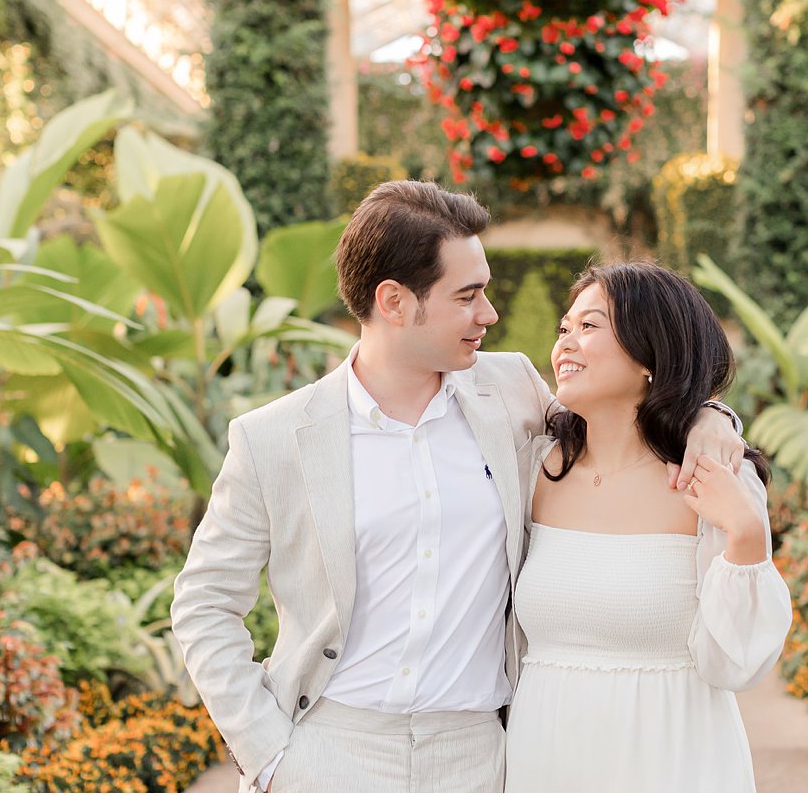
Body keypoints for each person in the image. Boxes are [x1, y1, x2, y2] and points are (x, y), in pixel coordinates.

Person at [171, 182, 746, 793]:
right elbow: (205, 603)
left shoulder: (513, 394)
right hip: (329, 753)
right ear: (394, 302)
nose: (489, 314)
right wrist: (269, 753)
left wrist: (710, 417)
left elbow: (624, 417)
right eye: (467, 296)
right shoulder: (273, 439)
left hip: (478, 756)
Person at [503, 262, 792, 793]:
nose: (565, 342)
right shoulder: (532, 467)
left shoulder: (715, 479)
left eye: (589, 327)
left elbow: (740, 665)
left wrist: (747, 536)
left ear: (651, 355)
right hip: (544, 760)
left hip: (674, 761)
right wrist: (716, 412)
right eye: (564, 328)